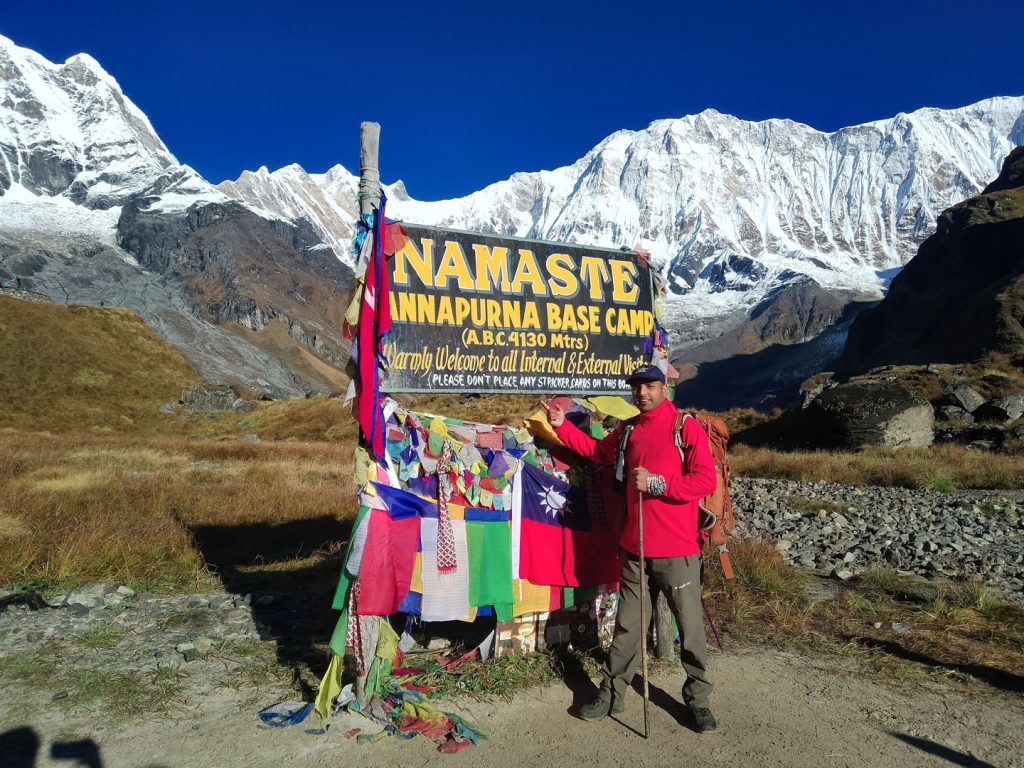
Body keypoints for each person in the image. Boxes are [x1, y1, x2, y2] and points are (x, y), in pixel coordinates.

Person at [541, 363, 719, 732]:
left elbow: (704, 480)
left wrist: (656, 484)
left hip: (677, 549)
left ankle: (697, 700)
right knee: (627, 628)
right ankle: (611, 693)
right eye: (636, 387)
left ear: (663, 387)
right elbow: (595, 451)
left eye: (649, 386)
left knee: (690, 628)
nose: (641, 393)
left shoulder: (683, 427)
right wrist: (562, 426)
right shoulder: (628, 431)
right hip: (634, 549)